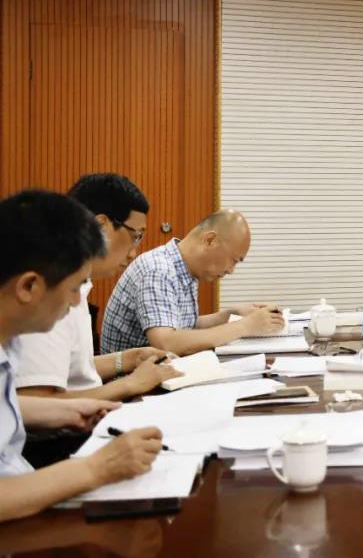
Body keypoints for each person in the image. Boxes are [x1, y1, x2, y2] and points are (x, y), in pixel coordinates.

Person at [0, 190, 162, 522]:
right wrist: (96, 468)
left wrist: (68, 410)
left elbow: (7, 406)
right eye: (75, 287)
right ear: (28, 287)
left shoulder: (9, 341)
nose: (77, 302)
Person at [16, 174, 180, 402]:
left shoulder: (76, 281)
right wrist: (130, 384)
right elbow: (38, 403)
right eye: (135, 236)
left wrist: (129, 359)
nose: (134, 252)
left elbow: (71, 370)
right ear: (100, 225)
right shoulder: (50, 289)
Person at [101, 209, 283, 356]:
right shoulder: (158, 270)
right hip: (131, 384)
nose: (231, 270)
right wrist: (245, 326)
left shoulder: (185, 268)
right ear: (210, 240)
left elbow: (183, 325)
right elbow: (166, 343)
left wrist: (231, 314)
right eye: (233, 260)